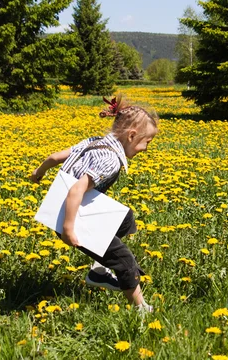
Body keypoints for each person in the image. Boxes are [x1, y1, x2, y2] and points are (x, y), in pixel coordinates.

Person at [30, 95, 158, 313]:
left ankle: (98, 270)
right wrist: (68, 228)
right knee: (125, 260)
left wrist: (38, 172)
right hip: (71, 217)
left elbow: (55, 156)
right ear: (132, 136)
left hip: (68, 209)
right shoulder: (110, 160)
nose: (146, 149)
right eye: (147, 142)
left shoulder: (93, 142)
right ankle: (141, 309)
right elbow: (76, 190)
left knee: (126, 218)